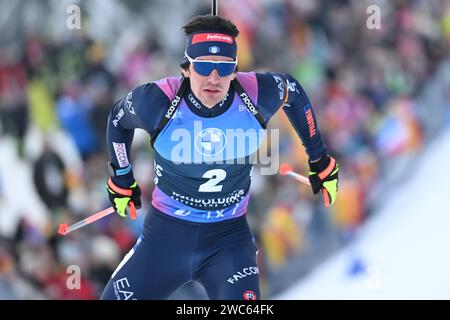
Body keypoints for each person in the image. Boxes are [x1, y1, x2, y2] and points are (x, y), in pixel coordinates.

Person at [101, 14, 339, 300]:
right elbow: (118, 119)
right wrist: (122, 177)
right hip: (166, 238)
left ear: (235, 71)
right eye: (203, 66)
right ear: (186, 69)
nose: (214, 78)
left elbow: (294, 93)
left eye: (224, 68)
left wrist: (319, 160)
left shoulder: (255, 94)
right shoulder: (157, 101)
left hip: (228, 241)